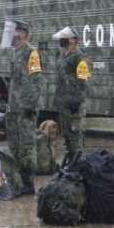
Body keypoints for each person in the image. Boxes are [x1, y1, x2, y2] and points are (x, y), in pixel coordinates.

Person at [1, 20, 42, 196]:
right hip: (14, 107)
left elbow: (35, 80)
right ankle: (18, 179)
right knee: (15, 145)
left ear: (23, 33)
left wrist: (31, 105)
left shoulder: (31, 53)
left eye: (16, 31)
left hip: (26, 107)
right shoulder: (15, 53)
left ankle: (28, 182)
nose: (12, 34)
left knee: (27, 144)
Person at [51, 27, 90, 168]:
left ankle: (78, 167)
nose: (62, 40)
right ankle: (70, 166)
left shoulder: (78, 56)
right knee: (67, 137)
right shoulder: (62, 55)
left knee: (75, 137)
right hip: (63, 104)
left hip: (74, 105)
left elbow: (83, 80)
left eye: (65, 37)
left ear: (73, 40)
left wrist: (77, 100)